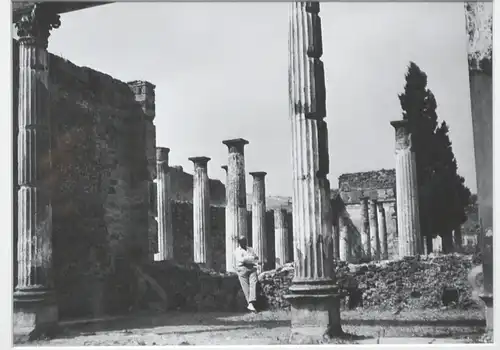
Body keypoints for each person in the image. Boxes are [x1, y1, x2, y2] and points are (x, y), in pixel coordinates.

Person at [234, 235, 259, 312]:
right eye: (242, 241)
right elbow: (241, 260)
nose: (244, 243)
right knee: (245, 287)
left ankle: (251, 303)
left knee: (253, 283)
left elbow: (256, 258)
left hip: (252, 268)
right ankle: (251, 304)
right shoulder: (237, 251)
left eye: (245, 241)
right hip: (242, 269)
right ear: (239, 243)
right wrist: (250, 258)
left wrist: (248, 259)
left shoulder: (250, 249)